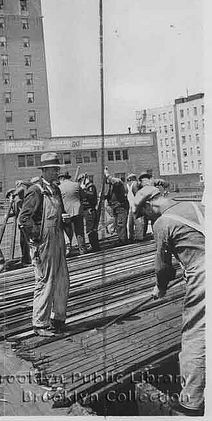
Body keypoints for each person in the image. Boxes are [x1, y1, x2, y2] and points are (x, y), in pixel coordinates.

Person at [133, 186, 205, 416]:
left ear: (149, 205)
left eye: (145, 214)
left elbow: (163, 268)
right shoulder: (198, 206)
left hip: (205, 275)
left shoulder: (162, 223)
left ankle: (192, 402)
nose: (147, 219)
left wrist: (160, 288)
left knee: (196, 335)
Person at [19, 153, 69, 337]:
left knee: (62, 280)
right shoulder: (36, 190)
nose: (57, 172)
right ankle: (40, 323)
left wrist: (64, 220)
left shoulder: (55, 190)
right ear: (45, 171)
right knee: (45, 282)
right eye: (54, 169)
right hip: (44, 242)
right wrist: (37, 238)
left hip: (58, 239)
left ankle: (58, 319)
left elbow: (58, 213)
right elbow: (24, 219)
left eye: (57, 169)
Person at [58, 171, 86, 255]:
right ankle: (82, 249)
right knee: (79, 231)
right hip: (78, 211)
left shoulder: (59, 188)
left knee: (68, 232)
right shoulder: (76, 185)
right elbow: (83, 196)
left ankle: (68, 250)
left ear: (61, 178)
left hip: (66, 213)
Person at [5, 180, 32, 266]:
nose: (9, 198)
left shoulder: (19, 198)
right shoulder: (14, 203)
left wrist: (14, 194)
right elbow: (15, 212)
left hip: (25, 222)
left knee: (27, 241)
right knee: (22, 242)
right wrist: (8, 215)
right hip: (20, 224)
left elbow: (21, 190)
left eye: (9, 196)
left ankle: (30, 259)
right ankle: (25, 259)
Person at [77, 173, 100, 252]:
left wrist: (84, 190)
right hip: (86, 210)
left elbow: (91, 195)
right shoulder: (87, 187)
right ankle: (93, 245)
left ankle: (95, 247)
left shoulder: (90, 186)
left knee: (91, 229)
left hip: (90, 210)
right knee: (90, 229)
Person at [104, 173, 129, 245]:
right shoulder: (111, 187)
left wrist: (107, 175)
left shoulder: (118, 183)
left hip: (121, 207)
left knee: (120, 224)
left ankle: (123, 241)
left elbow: (116, 182)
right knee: (118, 225)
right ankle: (121, 239)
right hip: (116, 207)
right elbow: (109, 196)